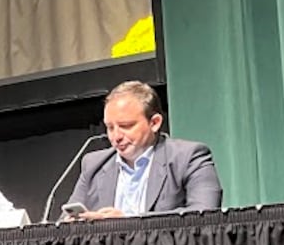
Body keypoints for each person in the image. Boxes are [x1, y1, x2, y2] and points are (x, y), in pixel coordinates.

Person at [65, 81, 223, 218]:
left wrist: (127, 222)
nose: (116, 136)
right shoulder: (93, 165)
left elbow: (204, 215)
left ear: (154, 123)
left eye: (126, 126)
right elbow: (65, 220)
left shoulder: (189, 157)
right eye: (110, 127)